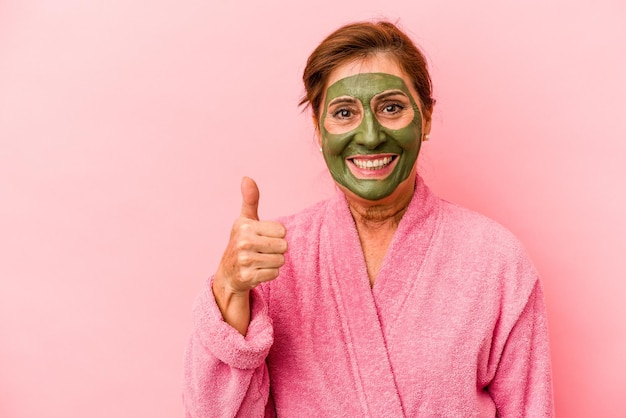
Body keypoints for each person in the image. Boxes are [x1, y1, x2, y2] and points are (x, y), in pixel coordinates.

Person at [183, 20, 553, 417]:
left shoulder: (496, 261)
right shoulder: (274, 259)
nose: (370, 135)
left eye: (391, 108)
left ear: (425, 117)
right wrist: (229, 288)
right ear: (319, 130)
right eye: (344, 112)